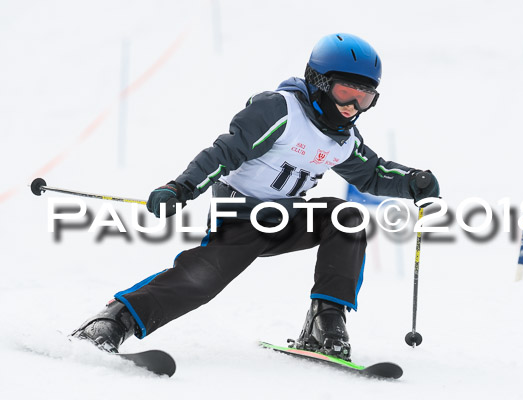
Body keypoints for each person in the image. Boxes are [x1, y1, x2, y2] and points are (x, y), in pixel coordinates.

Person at [72, 33, 440, 361]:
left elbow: (373, 173)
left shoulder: (344, 139)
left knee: (345, 216)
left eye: (366, 98)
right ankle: (111, 321)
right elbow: (225, 152)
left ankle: (325, 320)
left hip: (287, 218)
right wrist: (181, 187)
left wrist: (413, 183)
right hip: (240, 216)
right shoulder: (278, 110)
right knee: (201, 281)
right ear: (319, 81)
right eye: (346, 93)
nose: (353, 108)